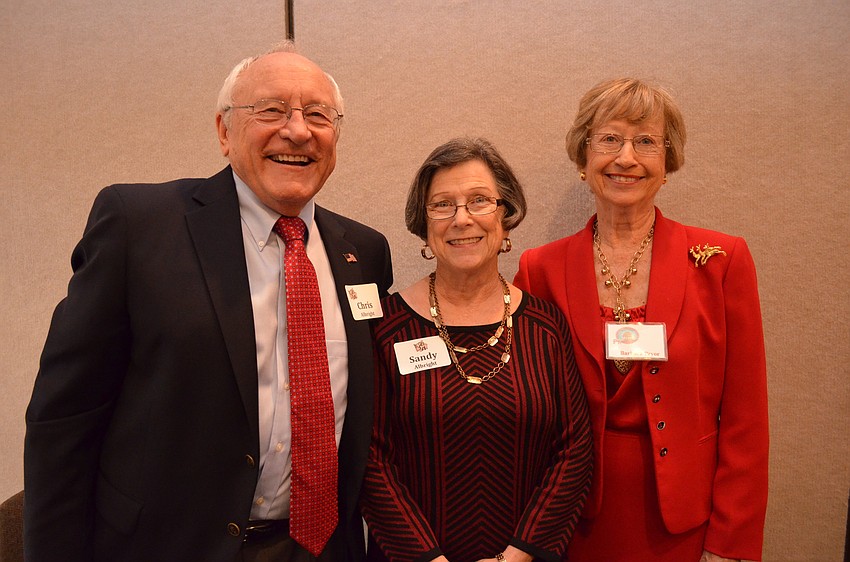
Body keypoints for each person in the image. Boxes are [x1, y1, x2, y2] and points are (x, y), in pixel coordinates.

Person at [24, 41, 393, 562]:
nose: (298, 130)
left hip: (321, 549)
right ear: (224, 131)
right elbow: (64, 418)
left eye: (318, 115)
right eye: (270, 110)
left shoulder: (365, 252)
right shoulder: (138, 224)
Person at [514, 78, 769, 561]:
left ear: (667, 162)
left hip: (686, 523)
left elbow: (746, 418)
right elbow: (528, 413)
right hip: (573, 520)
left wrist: (731, 543)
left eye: (646, 141)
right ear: (583, 158)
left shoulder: (721, 262)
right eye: (609, 139)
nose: (626, 158)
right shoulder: (538, 269)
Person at [361, 137, 593, 562]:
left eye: (479, 201)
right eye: (442, 204)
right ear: (424, 224)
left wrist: (518, 555)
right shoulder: (385, 325)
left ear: (505, 219)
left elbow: (574, 450)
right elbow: (370, 459)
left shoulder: (545, 324)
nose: (461, 219)